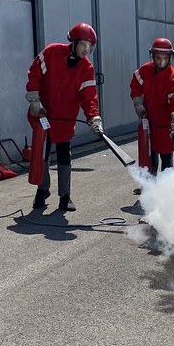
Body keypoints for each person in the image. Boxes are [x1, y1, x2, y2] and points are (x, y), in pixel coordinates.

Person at [26, 22, 103, 212]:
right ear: (74, 42)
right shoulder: (51, 53)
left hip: (65, 119)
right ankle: (42, 189)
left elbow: (89, 97)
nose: (87, 50)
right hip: (43, 114)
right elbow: (34, 74)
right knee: (42, 154)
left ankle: (65, 196)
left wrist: (94, 118)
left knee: (64, 155)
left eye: (90, 47)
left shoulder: (87, 68)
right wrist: (34, 100)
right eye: (84, 45)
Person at [130, 37, 174, 191]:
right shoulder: (145, 70)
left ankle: (167, 189)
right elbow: (135, 85)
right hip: (149, 121)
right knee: (148, 157)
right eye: (158, 58)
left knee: (166, 159)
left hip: (167, 126)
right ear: (152, 56)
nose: (161, 62)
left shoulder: (173, 78)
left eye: (165, 58)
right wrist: (139, 104)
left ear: (170, 58)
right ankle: (148, 186)